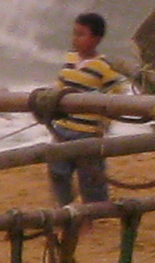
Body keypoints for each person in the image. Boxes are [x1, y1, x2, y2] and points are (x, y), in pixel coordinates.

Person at [46, 11, 127, 206]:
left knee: (91, 177)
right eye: (74, 33)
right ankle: (65, 207)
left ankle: (96, 210)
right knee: (57, 170)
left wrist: (104, 124)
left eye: (81, 34)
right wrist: (49, 103)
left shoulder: (103, 66)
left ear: (96, 39)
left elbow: (117, 95)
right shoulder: (70, 59)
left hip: (88, 131)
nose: (75, 38)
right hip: (62, 127)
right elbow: (60, 85)